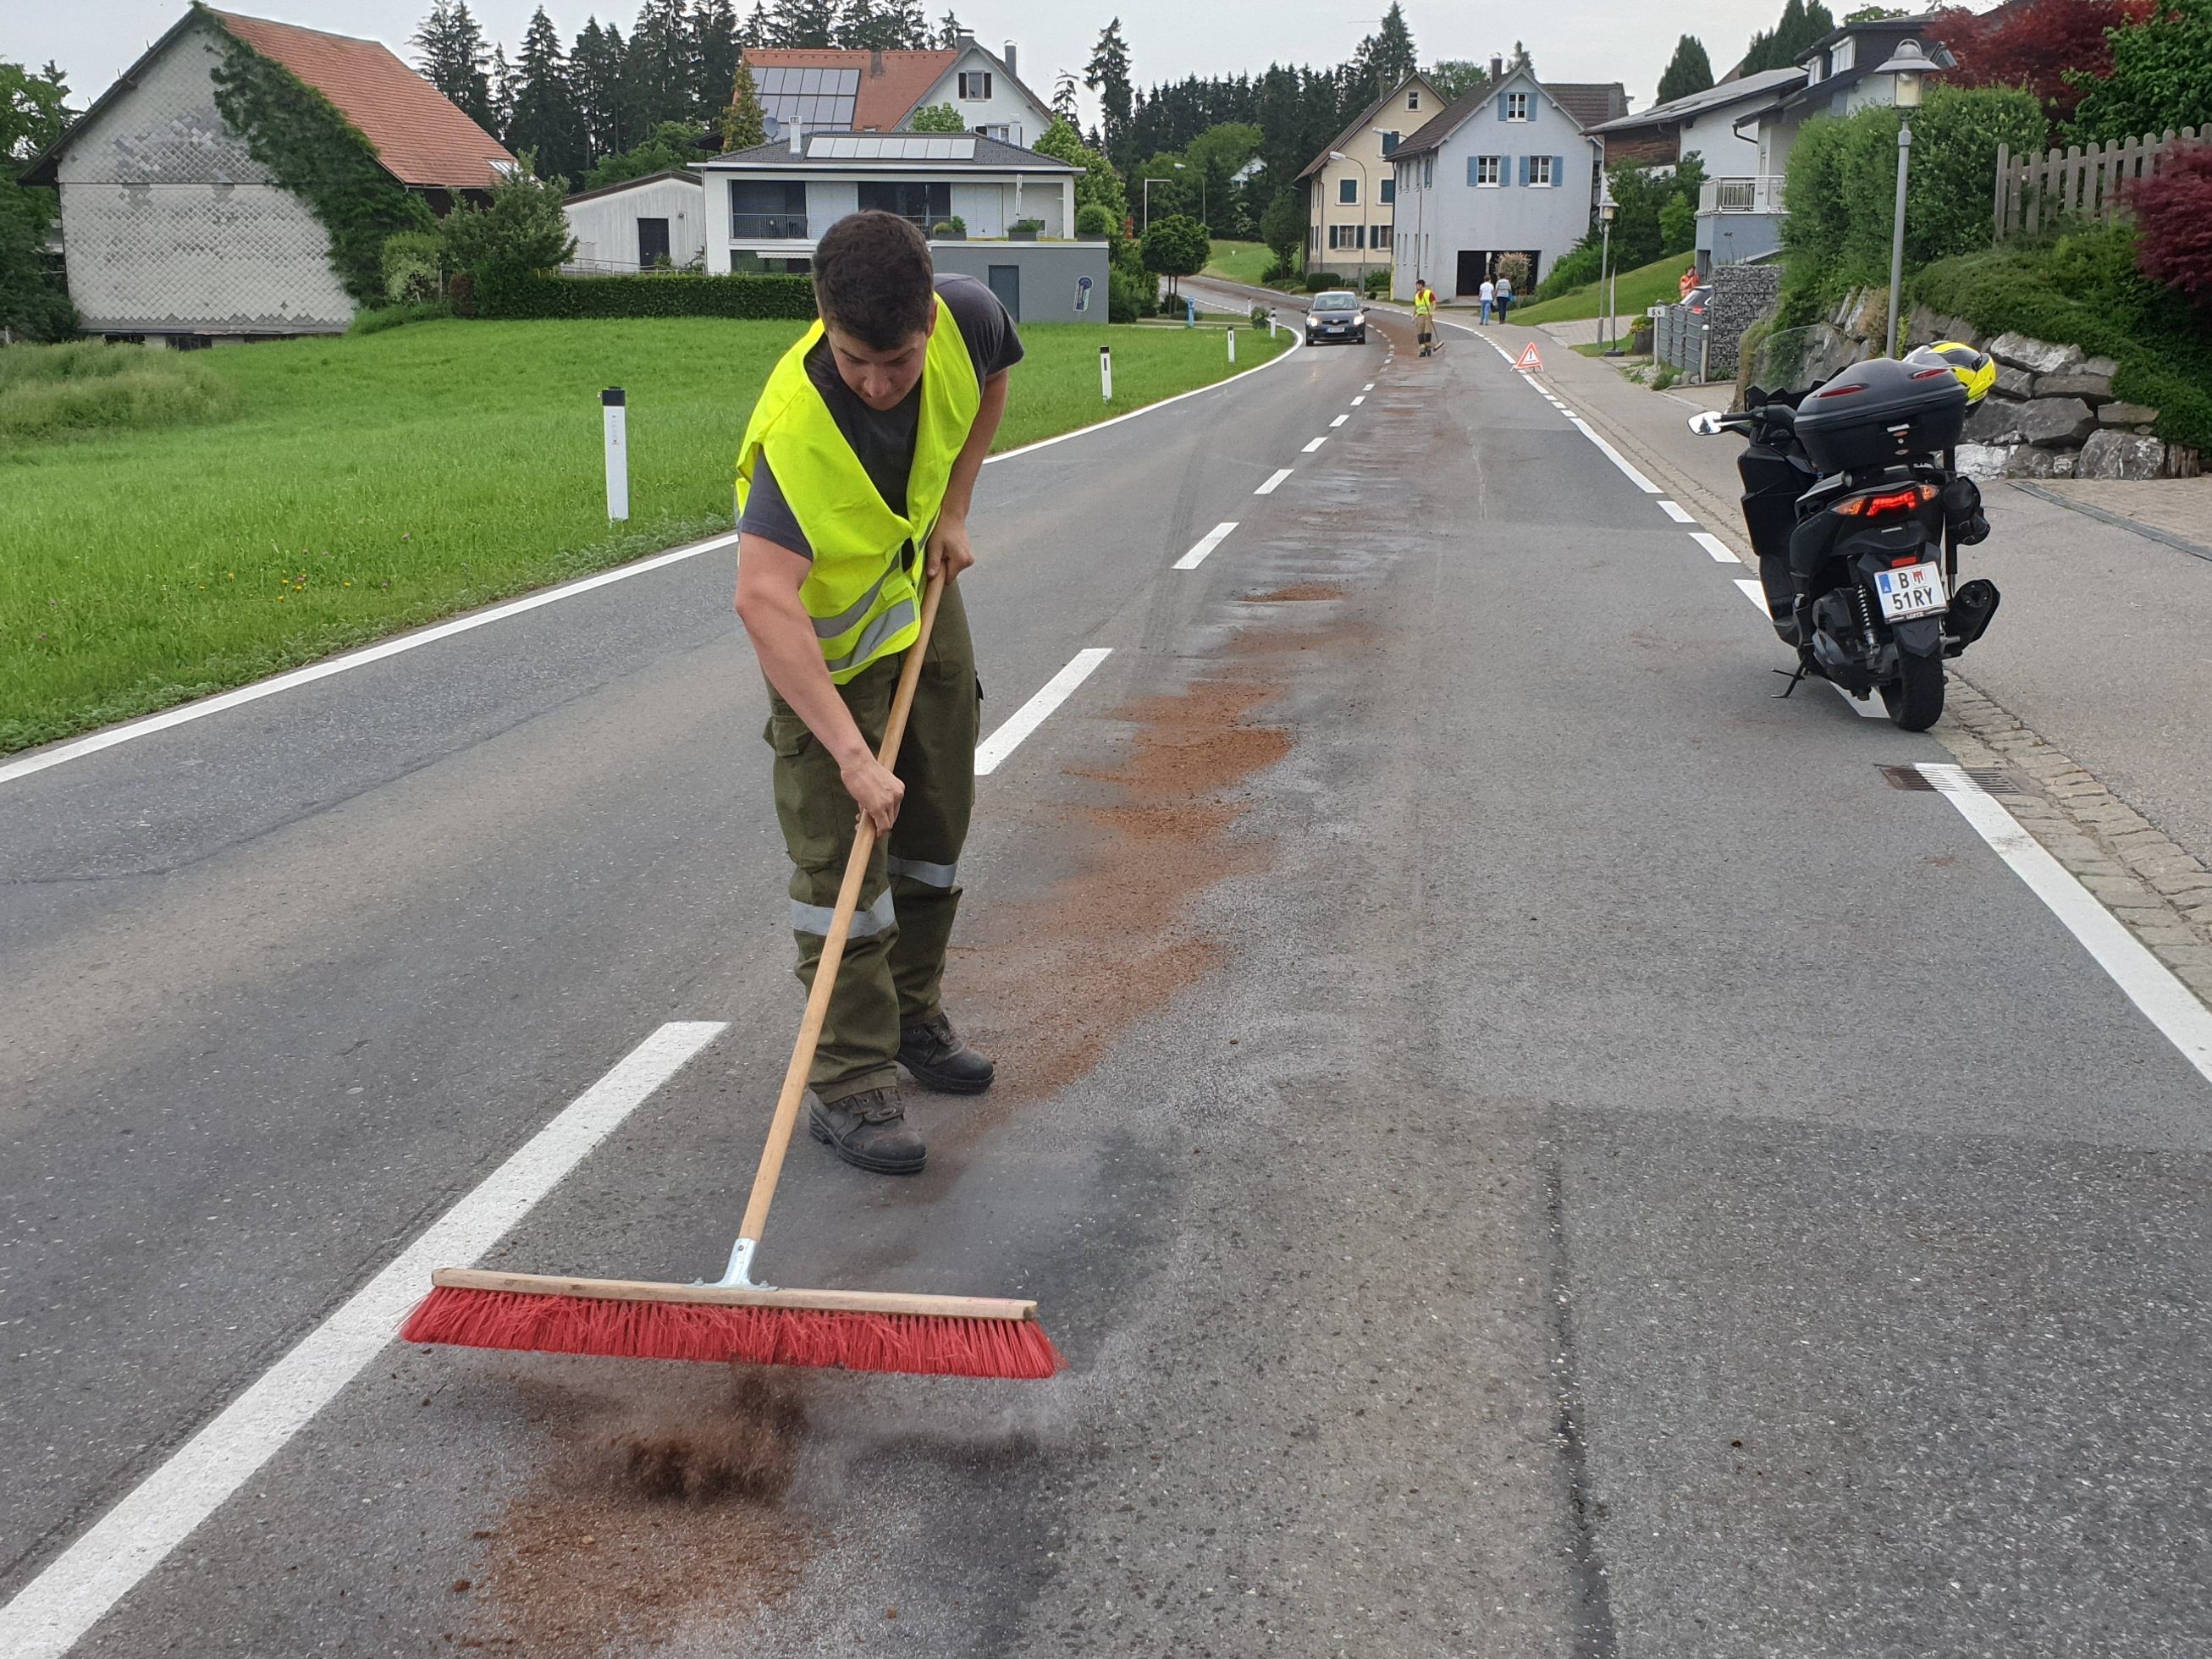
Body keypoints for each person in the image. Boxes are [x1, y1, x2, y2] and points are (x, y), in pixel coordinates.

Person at [733, 212, 1021, 1176]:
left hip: (921, 608)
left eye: (896, 360)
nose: (878, 381)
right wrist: (853, 757)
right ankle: (849, 1076)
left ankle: (912, 1016)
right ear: (823, 319)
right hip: (824, 660)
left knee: (937, 831)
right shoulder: (792, 438)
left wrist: (955, 506)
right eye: (857, 359)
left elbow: (993, 382)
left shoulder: (968, 321)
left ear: (929, 323)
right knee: (844, 874)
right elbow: (762, 600)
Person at [1413, 278, 1435, 356]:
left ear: (1421, 285)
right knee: (1420, 334)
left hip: (1427, 315)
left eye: (1417, 285)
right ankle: (1422, 350)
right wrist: (1413, 316)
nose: (1417, 287)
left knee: (1427, 333)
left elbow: (1433, 302)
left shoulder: (1428, 293)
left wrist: (1432, 312)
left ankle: (1428, 348)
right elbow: (1416, 306)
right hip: (1419, 316)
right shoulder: (1416, 295)